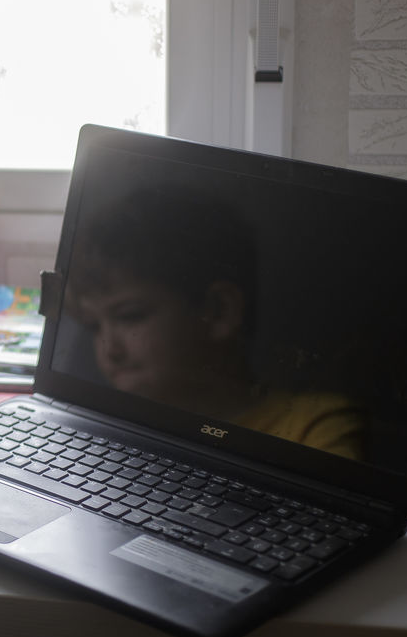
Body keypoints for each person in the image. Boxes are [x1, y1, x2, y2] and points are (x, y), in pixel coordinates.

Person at [64, 185, 366, 460]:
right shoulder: (114, 423)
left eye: (130, 316)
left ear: (219, 312)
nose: (110, 351)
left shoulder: (313, 427)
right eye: (94, 327)